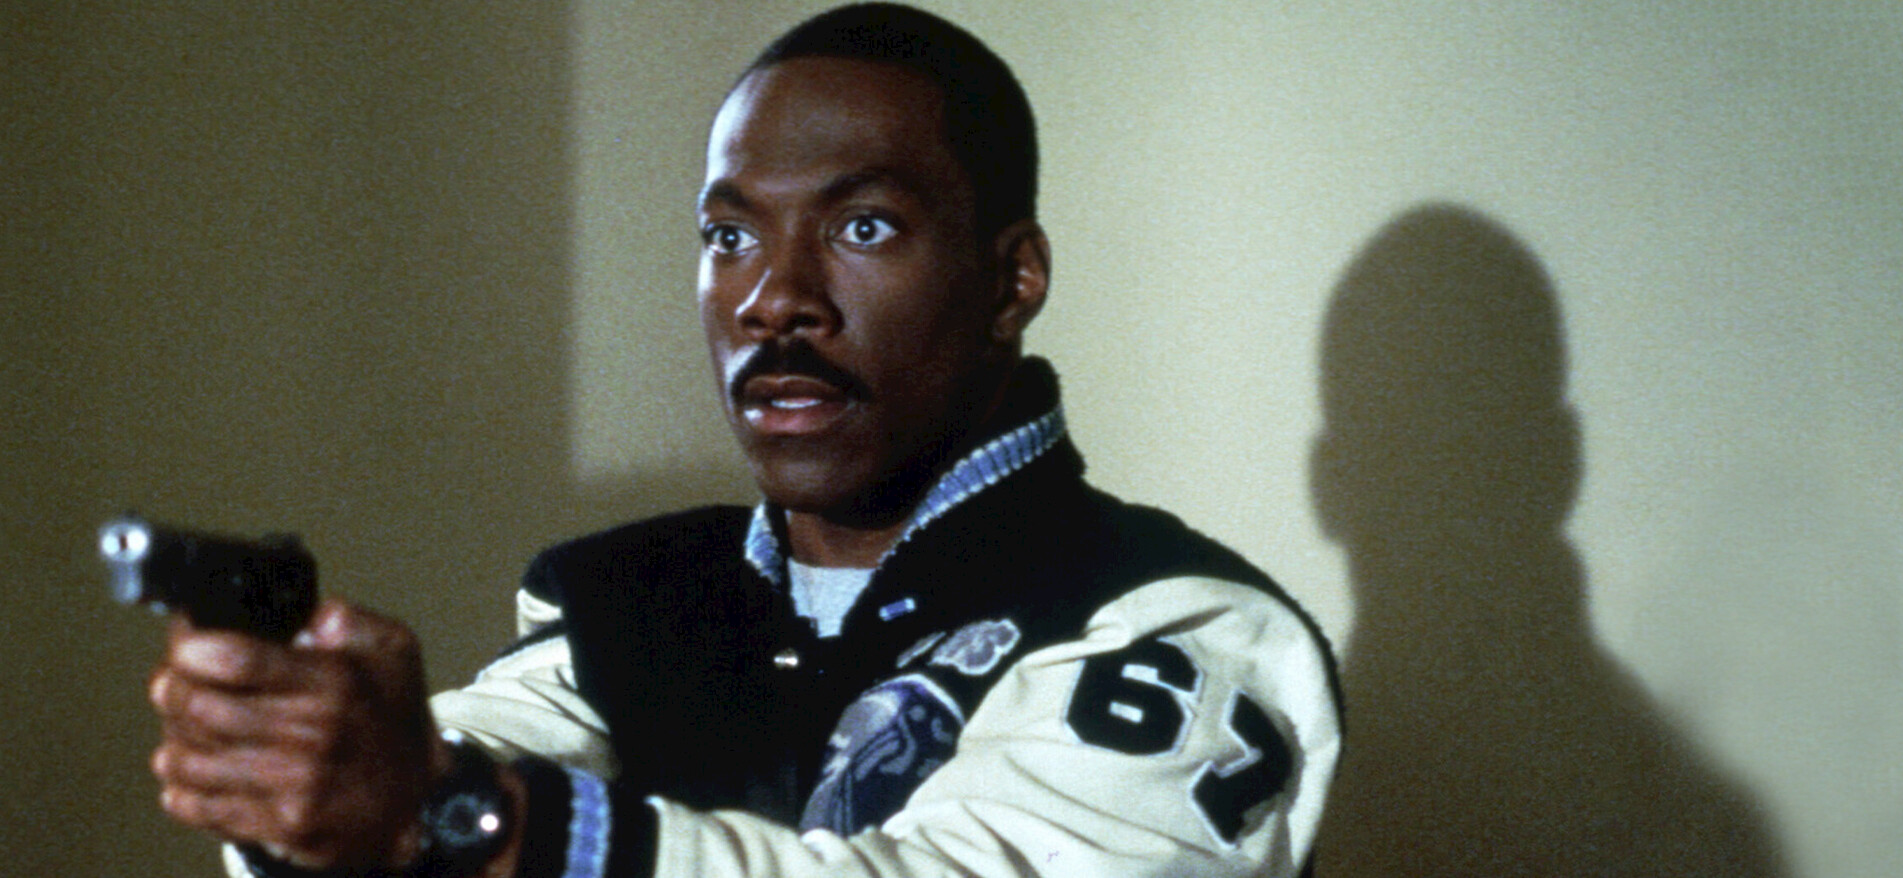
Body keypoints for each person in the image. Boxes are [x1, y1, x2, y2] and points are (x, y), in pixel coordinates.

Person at [146, 5, 1342, 877]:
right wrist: (311, 770)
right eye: (730, 237)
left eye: (863, 226)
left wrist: (469, 815)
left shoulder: (1178, 628)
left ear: (1011, 278)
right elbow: (435, 772)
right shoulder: (625, 597)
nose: (776, 299)